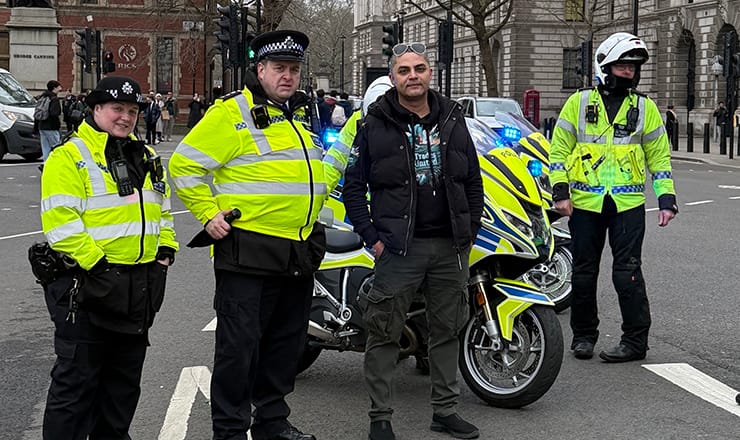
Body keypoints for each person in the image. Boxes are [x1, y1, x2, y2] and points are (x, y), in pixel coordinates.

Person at [169, 30, 326, 440]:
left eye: (294, 69)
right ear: (260, 70)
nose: (288, 76)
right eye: (279, 68)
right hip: (248, 250)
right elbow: (185, 166)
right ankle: (230, 431)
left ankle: (272, 422)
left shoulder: (298, 115)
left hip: (297, 249)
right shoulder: (231, 113)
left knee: (285, 346)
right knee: (238, 350)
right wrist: (207, 214)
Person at [342, 41, 484, 440]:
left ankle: (445, 411)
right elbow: (353, 186)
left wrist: (468, 232)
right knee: (384, 333)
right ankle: (380, 418)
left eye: (419, 68)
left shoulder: (453, 120)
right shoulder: (373, 125)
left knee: (446, 332)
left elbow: (472, 181)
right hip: (398, 248)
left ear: (430, 73)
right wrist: (371, 236)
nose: (413, 76)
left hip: (449, 248)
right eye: (404, 70)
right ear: (393, 78)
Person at [38, 76, 178, 440]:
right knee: (75, 389)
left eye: (132, 110)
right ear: (95, 109)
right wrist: (100, 268)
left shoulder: (144, 156)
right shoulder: (69, 156)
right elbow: (62, 226)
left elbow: (163, 211)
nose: (126, 118)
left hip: (139, 289)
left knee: (122, 390)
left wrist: (164, 254)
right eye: (117, 109)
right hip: (86, 289)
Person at [549, 32, 678, 363]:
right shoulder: (578, 103)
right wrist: (560, 191)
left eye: (633, 67)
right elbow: (559, 151)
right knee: (583, 272)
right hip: (585, 203)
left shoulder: (645, 108)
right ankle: (583, 336)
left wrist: (666, 199)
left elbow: (659, 158)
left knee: (628, 272)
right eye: (622, 66)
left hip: (628, 205)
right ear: (604, 67)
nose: (629, 72)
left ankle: (635, 341)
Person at [36, 79, 63, 163]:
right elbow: (54, 113)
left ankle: (46, 163)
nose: (60, 88)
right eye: (59, 86)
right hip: (51, 126)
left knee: (45, 147)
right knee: (56, 146)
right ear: (54, 88)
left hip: (42, 125)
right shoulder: (54, 99)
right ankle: (56, 164)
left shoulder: (43, 97)